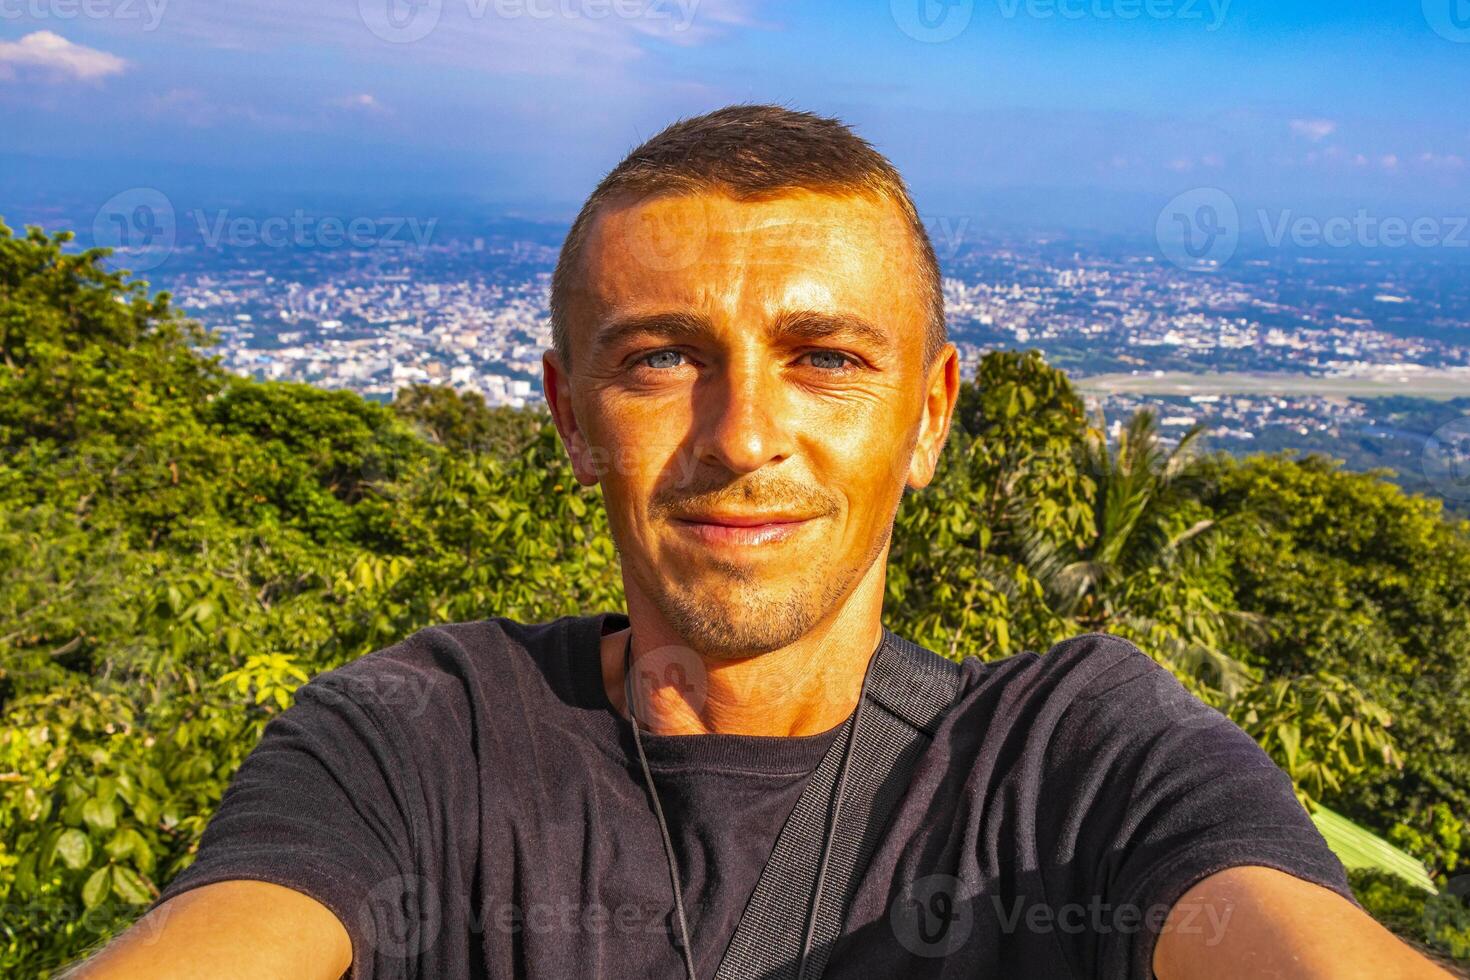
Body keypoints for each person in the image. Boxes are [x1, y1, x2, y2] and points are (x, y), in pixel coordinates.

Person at [67, 104, 1452, 980]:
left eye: (825, 358)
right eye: (663, 358)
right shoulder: (419, 742)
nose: (742, 436)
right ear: (567, 414)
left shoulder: (1071, 757)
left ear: (926, 417)